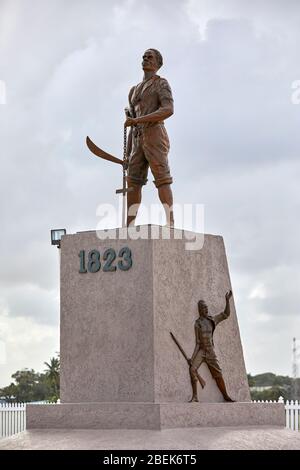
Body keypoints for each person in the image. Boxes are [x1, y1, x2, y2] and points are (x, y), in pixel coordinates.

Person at [124, 48, 174, 226]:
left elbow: (168, 110)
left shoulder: (161, 84)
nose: (145, 59)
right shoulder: (133, 90)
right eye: (144, 57)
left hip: (155, 135)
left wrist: (139, 119)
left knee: (162, 179)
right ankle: (129, 225)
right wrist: (127, 153)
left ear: (157, 63)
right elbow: (131, 122)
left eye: (149, 57)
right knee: (133, 181)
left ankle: (170, 222)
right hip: (137, 139)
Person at [188, 291, 235, 402]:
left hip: (210, 351)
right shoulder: (197, 323)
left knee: (218, 374)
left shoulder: (212, 320)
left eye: (206, 307)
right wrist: (192, 358)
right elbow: (198, 343)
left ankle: (225, 395)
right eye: (204, 308)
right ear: (200, 310)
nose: (206, 309)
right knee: (192, 369)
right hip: (201, 351)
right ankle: (195, 397)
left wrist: (227, 301)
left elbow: (225, 314)